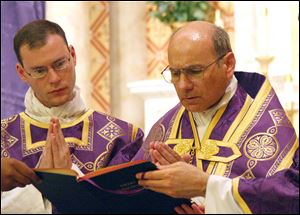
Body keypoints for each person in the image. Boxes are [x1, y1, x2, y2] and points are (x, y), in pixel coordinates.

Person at [133, 21, 299, 214]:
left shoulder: (265, 124)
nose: (183, 85)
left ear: (228, 64)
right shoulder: (166, 128)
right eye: (175, 73)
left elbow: (288, 200)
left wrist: (205, 187)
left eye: (194, 71)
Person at [1, 19, 144, 213]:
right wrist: (43, 186)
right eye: (40, 71)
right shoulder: (3, 138)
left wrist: (68, 182)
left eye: (59, 64)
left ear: (73, 56)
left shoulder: (122, 137)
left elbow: (133, 208)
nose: (54, 78)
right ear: (22, 73)